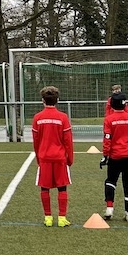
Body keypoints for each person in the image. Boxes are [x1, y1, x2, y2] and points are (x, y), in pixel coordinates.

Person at [31, 85, 74, 227]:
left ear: (43, 100)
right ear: (57, 100)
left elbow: (36, 141)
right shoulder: (63, 117)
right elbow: (68, 141)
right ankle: (62, 218)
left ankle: (48, 217)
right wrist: (70, 159)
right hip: (60, 158)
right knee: (62, 187)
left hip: (44, 157)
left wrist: (39, 158)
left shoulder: (37, 118)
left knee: (44, 188)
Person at [100, 91, 128, 221]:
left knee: (111, 181)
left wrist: (105, 155)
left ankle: (109, 208)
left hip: (115, 156)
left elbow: (107, 139)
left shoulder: (109, 119)